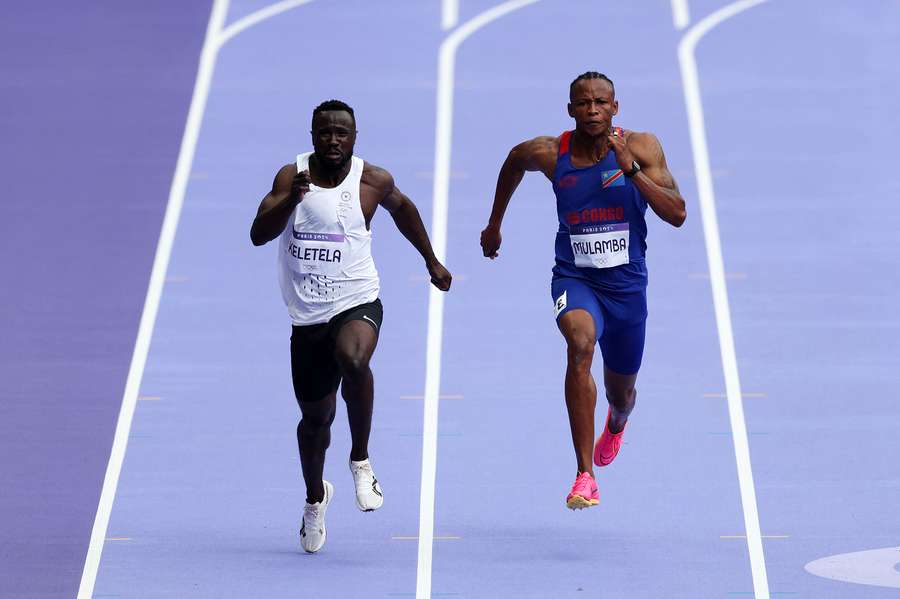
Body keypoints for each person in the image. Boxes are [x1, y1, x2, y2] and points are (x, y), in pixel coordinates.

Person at [251, 99, 452, 552]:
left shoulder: (373, 180)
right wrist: (290, 199)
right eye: (325, 132)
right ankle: (314, 499)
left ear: (355, 137)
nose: (334, 140)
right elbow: (258, 234)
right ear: (312, 135)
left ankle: (361, 460)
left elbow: (404, 210)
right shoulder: (291, 177)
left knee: (354, 357)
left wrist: (431, 261)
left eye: (342, 132)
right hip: (307, 318)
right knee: (315, 422)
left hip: (357, 299)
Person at [480, 72, 686, 510]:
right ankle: (584, 475)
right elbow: (514, 161)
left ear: (615, 107)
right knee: (579, 346)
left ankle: (618, 419)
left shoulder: (643, 147)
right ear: (570, 110)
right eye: (583, 103)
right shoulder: (552, 154)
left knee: (621, 391)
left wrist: (629, 167)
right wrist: (495, 224)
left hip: (627, 287)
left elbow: (678, 213)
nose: (592, 110)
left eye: (600, 102)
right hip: (576, 278)